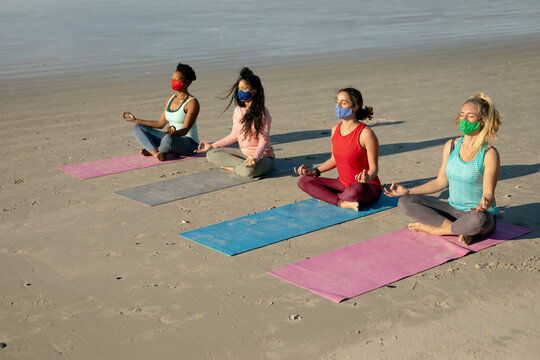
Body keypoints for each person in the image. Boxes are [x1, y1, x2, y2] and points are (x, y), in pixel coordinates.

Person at [384, 93, 501, 245]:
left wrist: (485, 203)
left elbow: (488, 193)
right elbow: (440, 182)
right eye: (462, 115)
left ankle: (437, 230)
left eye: (470, 116)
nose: (464, 120)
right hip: (451, 210)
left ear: (483, 121)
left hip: (476, 214)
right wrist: (408, 191)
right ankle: (457, 229)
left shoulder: (489, 153)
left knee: (479, 220)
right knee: (405, 202)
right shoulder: (451, 146)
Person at [294, 88, 382, 211]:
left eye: (343, 103)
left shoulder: (366, 134)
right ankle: (342, 202)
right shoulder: (335, 129)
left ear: (355, 107)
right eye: (337, 102)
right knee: (304, 181)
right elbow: (334, 159)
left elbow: (374, 168)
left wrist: (367, 178)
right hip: (342, 184)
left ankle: (330, 197)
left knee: (355, 190)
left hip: (365, 187)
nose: (338, 106)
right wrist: (314, 172)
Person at [197, 67, 275, 178]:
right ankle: (242, 166)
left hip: (264, 157)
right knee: (211, 154)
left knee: (249, 172)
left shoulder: (262, 113)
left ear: (254, 91)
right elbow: (234, 136)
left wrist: (255, 158)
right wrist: (212, 146)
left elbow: (263, 141)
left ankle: (234, 168)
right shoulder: (238, 111)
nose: (240, 92)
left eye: (244, 88)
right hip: (243, 155)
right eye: (239, 89)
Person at [121, 63, 199, 161]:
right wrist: (135, 120)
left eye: (177, 79)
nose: (173, 81)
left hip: (189, 143)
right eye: (172, 79)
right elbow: (160, 124)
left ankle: (155, 149)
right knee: (138, 128)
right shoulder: (170, 99)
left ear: (186, 82)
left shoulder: (192, 102)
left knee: (168, 139)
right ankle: (156, 153)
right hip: (171, 137)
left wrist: (173, 133)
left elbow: (186, 129)